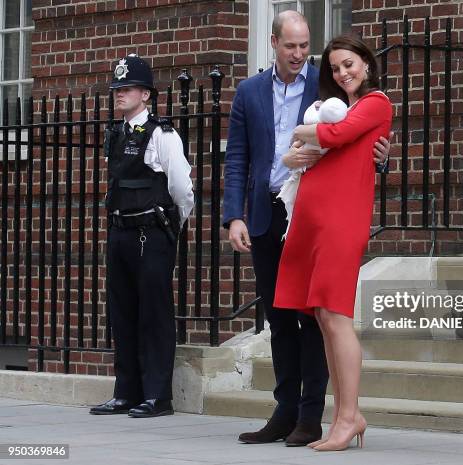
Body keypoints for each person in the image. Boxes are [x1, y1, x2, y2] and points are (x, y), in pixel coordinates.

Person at [222, 11, 390, 446]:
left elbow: (352, 136)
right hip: (267, 211)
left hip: (316, 216)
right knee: (281, 315)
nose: (299, 54)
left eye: (304, 46)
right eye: (290, 46)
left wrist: (379, 154)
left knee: (318, 319)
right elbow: (236, 157)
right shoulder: (249, 91)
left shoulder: (327, 86)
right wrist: (233, 215)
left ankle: (313, 414)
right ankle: (285, 409)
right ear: (273, 42)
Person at [273, 35, 393, 451]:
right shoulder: (343, 107)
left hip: (342, 220)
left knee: (337, 316)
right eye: (336, 68)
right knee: (323, 315)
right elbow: (303, 147)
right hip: (313, 219)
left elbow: (335, 136)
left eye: (350, 64)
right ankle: (345, 415)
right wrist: (297, 146)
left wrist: (304, 130)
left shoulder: (376, 102)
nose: (344, 73)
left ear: (366, 63)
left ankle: (348, 416)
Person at [90, 54, 194, 418]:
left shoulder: (162, 134)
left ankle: (156, 395)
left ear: (147, 94)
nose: (120, 94)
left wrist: (172, 225)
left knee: (154, 314)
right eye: (117, 88)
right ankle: (126, 392)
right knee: (122, 313)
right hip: (120, 231)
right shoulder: (116, 133)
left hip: (151, 232)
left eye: (128, 88)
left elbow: (181, 186)